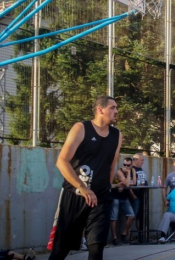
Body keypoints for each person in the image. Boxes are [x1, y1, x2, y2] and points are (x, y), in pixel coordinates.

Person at [47, 95, 121, 260]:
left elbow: (111, 166)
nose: (116, 111)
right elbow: (62, 161)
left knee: (96, 249)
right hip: (75, 194)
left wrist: (106, 189)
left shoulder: (117, 135)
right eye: (112, 108)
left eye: (116, 108)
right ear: (100, 110)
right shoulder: (81, 128)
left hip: (100, 197)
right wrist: (82, 187)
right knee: (61, 249)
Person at [110, 157, 136, 245]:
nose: (126, 167)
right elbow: (128, 184)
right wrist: (128, 176)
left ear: (131, 165)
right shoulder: (119, 172)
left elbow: (134, 183)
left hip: (125, 197)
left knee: (131, 216)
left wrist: (125, 183)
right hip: (116, 196)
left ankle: (124, 233)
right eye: (124, 165)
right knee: (114, 217)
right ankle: (114, 237)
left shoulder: (133, 170)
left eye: (128, 165)